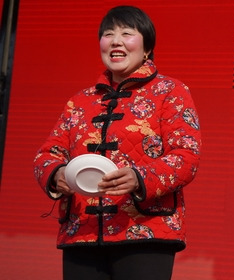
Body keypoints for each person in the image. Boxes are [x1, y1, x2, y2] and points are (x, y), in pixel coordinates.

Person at [33, 6, 201, 280]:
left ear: (147, 47)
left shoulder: (171, 92)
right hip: (82, 231)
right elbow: (45, 154)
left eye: (126, 33)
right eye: (108, 34)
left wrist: (139, 178)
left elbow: (187, 156)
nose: (115, 41)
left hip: (146, 230)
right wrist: (56, 175)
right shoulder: (80, 101)